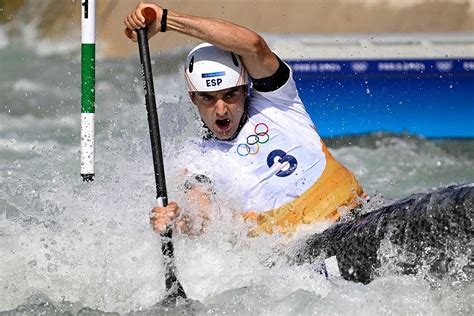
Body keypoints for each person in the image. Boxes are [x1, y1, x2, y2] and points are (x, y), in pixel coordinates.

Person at [124, 1, 366, 236]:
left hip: (361, 214)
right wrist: (178, 220)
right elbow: (202, 219)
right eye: (208, 98)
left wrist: (166, 19)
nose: (221, 110)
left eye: (230, 95)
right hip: (306, 250)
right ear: (193, 98)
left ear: (245, 88)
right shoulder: (197, 158)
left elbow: (253, 44)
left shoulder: (278, 100)